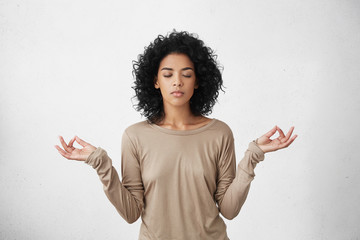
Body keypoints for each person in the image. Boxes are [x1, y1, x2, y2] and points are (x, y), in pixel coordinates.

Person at [55, 31, 297, 240]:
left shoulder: (219, 133)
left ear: (198, 81)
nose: (178, 82)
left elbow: (229, 209)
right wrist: (100, 162)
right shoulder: (135, 136)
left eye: (187, 74)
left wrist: (253, 156)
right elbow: (131, 213)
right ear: (156, 81)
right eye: (168, 74)